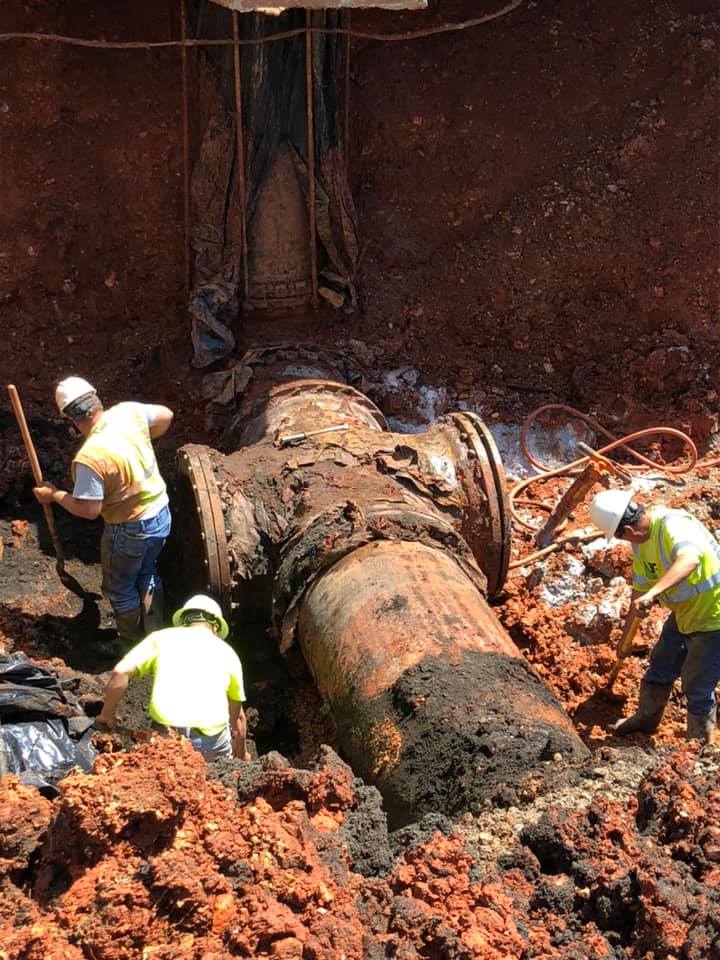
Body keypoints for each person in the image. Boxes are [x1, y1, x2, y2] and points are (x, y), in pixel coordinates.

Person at [33, 376, 173, 643]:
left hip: (129, 528)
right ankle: (155, 636)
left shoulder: (91, 458)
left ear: (70, 418)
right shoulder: (129, 412)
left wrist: (54, 495)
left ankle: (131, 644)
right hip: (161, 512)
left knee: (120, 588)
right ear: (96, 399)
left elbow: (89, 510)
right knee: (147, 571)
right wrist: (141, 442)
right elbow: (166, 416)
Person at [589, 488, 720, 743]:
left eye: (621, 538)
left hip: (713, 618)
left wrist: (654, 593)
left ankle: (698, 748)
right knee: (661, 664)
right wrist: (625, 638)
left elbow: (689, 560)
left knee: (697, 686)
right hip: (685, 614)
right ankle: (646, 719)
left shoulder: (673, 525)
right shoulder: (641, 544)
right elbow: (639, 591)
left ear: (628, 531)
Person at [96, 594, 250, 761]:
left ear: (184, 621)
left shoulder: (160, 639)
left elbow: (120, 672)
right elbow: (238, 720)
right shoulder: (228, 653)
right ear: (215, 627)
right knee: (218, 773)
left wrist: (107, 715)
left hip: (166, 739)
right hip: (210, 744)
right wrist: (242, 758)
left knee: (160, 775)